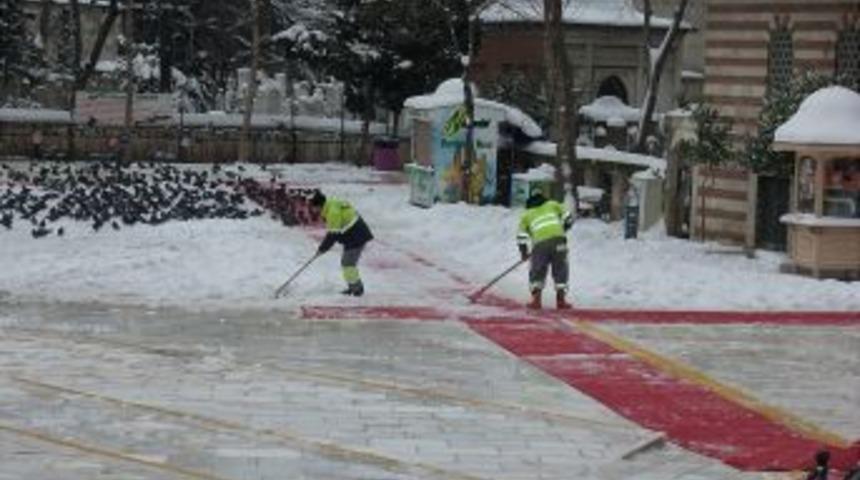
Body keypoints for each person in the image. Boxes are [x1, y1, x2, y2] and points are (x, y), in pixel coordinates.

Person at [310, 190, 373, 296]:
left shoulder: (332, 212)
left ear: (319, 205)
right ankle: (353, 287)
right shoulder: (331, 204)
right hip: (353, 235)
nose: (313, 210)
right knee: (347, 263)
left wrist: (322, 249)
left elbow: (332, 235)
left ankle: (357, 289)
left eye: (314, 207)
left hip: (357, 236)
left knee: (348, 263)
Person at [517, 189, 573, 310]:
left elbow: (521, 236)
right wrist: (563, 229)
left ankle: (536, 301)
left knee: (537, 269)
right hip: (559, 240)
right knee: (561, 268)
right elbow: (568, 217)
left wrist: (524, 252)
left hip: (540, 244)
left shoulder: (527, 214)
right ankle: (561, 301)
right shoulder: (552, 204)